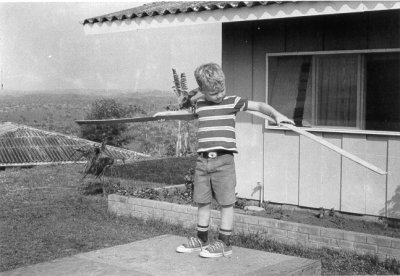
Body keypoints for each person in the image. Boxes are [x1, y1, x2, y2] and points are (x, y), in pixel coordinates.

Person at [155, 63, 293, 258]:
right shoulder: (200, 105)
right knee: (202, 201)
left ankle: (224, 243)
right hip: (202, 162)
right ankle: (201, 240)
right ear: (202, 91)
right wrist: (166, 115)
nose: (219, 95)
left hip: (224, 161)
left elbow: (260, 106)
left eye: (222, 90)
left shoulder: (232, 102)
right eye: (214, 93)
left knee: (226, 203)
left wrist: (277, 115)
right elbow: (186, 116)